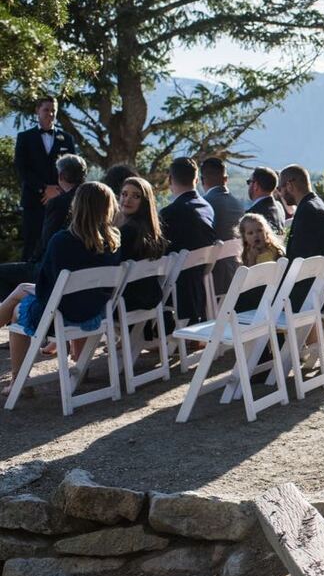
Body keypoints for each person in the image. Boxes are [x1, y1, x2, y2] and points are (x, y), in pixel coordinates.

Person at [0, 182, 121, 397]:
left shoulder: (62, 241)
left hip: (61, 316)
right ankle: (79, 370)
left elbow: (47, 292)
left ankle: (19, 382)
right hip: (94, 312)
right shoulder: (113, 243)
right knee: (22, 290)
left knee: (19, 310)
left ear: (77, 206)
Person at [0, 154, 87, 297]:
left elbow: (48, 240)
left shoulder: (59, 203)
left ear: (61, 176)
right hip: (78, 271)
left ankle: (9, 315)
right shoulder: (93, 200)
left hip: (51, 271)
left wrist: (32, 262)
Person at [14, 97, 78, 260]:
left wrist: (58, 190)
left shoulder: (67, 138)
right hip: (34, 201)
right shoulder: (25, 137)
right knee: (31, 245)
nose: (50, 114)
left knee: (58, 244)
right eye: (46, 110)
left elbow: (73, 168)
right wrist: (44, 188)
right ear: (37, 111)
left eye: (53, 110)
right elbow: (22, 168)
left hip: (61, 201)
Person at [159, 157, 216, 324]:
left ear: (170, 179)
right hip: (197, 283)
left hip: (176, 287)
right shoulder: (207, 208)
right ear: (196, 179)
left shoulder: (169, 213)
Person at [279, 164, 324, 306]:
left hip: (317, 293)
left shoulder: (307, 212)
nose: (280, 194)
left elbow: (298, 260)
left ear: (289, 185)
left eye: (280, 188)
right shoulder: (316, 205)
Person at [117, 176, 169, 312]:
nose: (127, 199)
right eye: (124, 194)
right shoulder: (152, 232)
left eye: (136, 196)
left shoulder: (128, 232)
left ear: (145, 202)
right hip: (150, 298)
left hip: (127, 302)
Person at [200, 157, 245, 293]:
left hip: (213, 278)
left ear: (202, 181)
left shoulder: (204, 206)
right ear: (226, 179)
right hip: (237, 273)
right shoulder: (238, 205)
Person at [245, 166, 286, 232]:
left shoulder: (253, 214)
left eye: (249, 182)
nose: (248, 186)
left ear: (255, 185)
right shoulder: (279, 207)